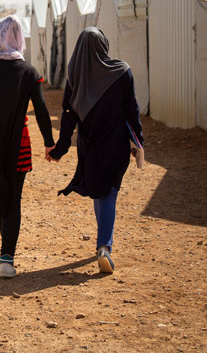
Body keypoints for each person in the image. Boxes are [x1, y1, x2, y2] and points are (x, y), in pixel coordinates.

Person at [47, 27, 143, 275]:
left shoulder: (74, 77)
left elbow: (67, 119)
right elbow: (132, 110)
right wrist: (138, 142)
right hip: (116, 144)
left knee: (100, 192)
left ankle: (103, 244)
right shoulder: (122, 72)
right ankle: (104, 247)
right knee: (108, 191)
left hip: (89, 146)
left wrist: (60, 150)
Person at [0, 15, 54, 278]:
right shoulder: (29, 72)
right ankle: (7, 257)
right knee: (13, 198)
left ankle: (6, 242)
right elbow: (40, 110)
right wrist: (50, 144)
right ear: (19, 38)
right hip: (19, 144)